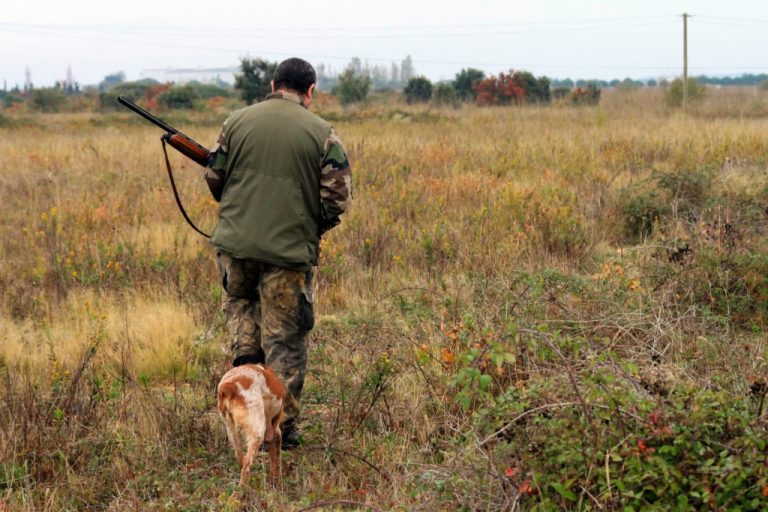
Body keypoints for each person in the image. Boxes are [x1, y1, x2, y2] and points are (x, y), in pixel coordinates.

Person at [203, 57, 352, 449]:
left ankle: (246, 415)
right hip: (288, 255)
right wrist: (308, 226)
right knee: (285, 341)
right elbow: (338, 197)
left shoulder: (235, 121)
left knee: (244, 322)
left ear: (272, 83)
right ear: (311, 91)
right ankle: (278, 432)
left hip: (236, 248)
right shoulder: (322, 133)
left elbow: (214, 179)